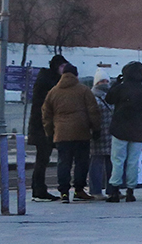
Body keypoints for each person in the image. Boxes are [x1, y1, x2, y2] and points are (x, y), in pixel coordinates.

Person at [41, 63, 101, 202]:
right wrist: (96, 129)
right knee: (81, 163)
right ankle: (79, 191)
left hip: (61, 134)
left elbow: (46, 115)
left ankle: (64, 192)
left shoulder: (53, 92)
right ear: (76, 75)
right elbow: (94, 112)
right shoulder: (84, 90)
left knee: (64, 163)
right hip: (81, 132)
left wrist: (50, 133)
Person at [103, 61, 142, 202]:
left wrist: (116, 84)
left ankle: (114, 190)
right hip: (137, 129)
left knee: (117, 160)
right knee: (133, 161)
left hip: (120, 128)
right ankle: (130, 191)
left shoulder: (120, 88)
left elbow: (109, 99)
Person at [27, 54, 69, 202]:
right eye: (62, 66)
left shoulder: (46, 79)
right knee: (42, 159)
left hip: (43, 126)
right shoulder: (48, 81)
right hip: (42, 127)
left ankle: (38, 189)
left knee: (43, 159)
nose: (64, 69)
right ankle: (38, 190)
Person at [88, 70, 115, 197]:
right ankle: (95, 191)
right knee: (96, 163)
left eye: (106, 81)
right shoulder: (92, 96)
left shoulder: (111, 96)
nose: (105, 84)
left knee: (111, 164)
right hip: (97, 134)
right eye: (102, 81)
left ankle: (111, 189)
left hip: (110, 134)